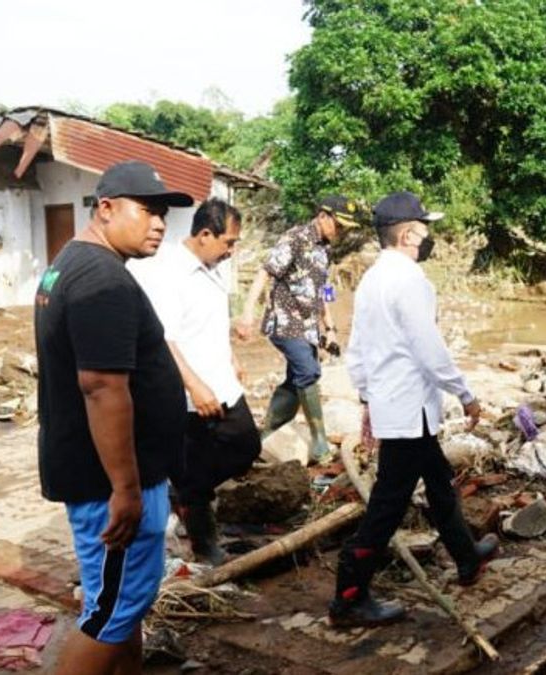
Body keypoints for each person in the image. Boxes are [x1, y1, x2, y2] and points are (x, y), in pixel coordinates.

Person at [34, 161, 191, 675]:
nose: (160, 224)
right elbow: (102, 387)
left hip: (98, 474)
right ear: (105, 208)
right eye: (147, 210)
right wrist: (125, 487)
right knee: (110, 613)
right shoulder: (103, 281)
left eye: (163, 213)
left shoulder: (69, 266)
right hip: (113, 484)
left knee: (121, 607)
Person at [329, 191, 498, 627]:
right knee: (388, 505)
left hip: (398, 407)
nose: (428, 237)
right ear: (407, 234)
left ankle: (465, 556)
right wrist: (465, 393)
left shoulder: (371, 280)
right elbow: (429, 348)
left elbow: (358, 351)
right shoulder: (409, 281)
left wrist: (366, 398)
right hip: (408, 409)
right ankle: (348, 596)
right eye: (425, 229)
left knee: (439, 480)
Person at [129, 199, 260, 565]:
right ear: (205, 234)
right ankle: (204, 543)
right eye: (229, 242)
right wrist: (194, 386)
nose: (231, 250)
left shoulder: (211, 267)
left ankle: (184, 493)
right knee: (196, 470)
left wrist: (231, 357)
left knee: (245, 445)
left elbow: (209, 321)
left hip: (220, 380)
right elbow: (163, 339)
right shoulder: (168, 272)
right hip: (191, 394)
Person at [237, 196, 361, 463]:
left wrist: (329, 328)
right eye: (338, 225)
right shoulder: (295, 238)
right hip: (285, 322)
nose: (339, 232)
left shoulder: (325, 249)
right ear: (323, 215)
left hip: (307, 327)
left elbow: (323, 290)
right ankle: (320, 444)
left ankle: (266, 435)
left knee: (295, 380)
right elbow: (265, 272)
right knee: (308, 372)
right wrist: (247, 312)